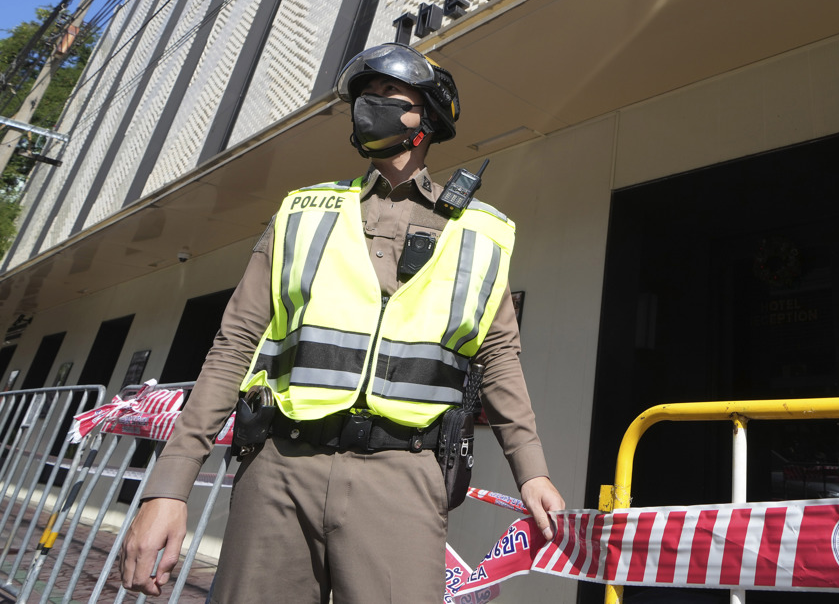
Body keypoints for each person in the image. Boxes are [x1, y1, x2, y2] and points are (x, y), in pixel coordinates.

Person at [120, 43, 564, 603]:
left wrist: (532, 470)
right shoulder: (302, 212)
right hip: (279, 467)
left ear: (428, 118)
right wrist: (170, 484)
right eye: (365, 96)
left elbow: (498, 360)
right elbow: (234, 345)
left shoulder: (482, 232)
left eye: (389, 95)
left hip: (404, 475)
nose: (371, 105)